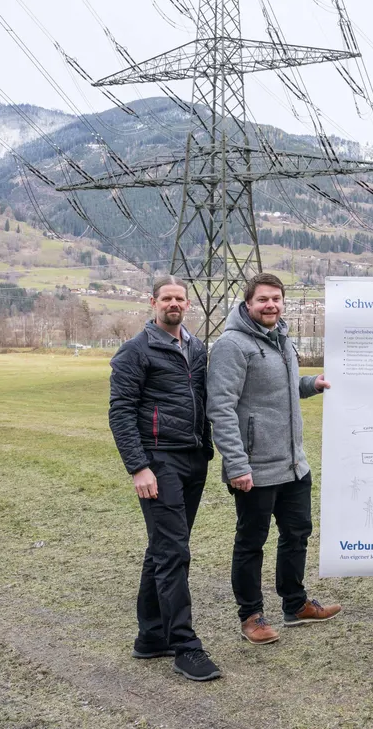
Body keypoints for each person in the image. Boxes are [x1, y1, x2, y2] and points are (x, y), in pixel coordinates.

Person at [206, 272, 340, 645]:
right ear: (248, 303)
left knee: (296, 535)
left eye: (276, 299)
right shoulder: (232, 345)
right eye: (263, 299)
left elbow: (281, 389)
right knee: (251, 542)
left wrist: (311, 384)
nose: (271, 305)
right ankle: (251, 616)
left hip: (293, 464)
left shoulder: (281, 339)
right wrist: (236, 464)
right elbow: (220, 407)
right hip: (255, 467)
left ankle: (295, 605)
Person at [107, 277, 221, 682]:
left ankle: (151, 637)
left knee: (164, 547)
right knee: (173, 552)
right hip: (159, 461)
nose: (174, 304)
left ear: (187, 304)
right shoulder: (134, 352)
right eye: (166, 298)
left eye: (180, 298)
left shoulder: (196, 348)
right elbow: (120, 412)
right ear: (153, 302)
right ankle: (185, 647)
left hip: (193, 458)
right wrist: (138, 466)